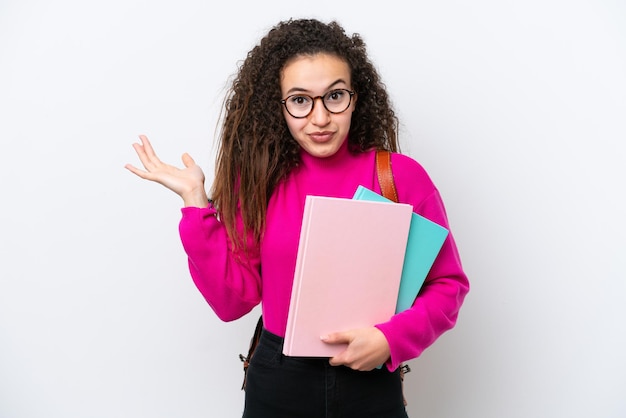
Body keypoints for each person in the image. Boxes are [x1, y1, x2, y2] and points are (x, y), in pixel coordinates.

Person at [126, 18, 469, 418]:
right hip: (279, 377)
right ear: (279, 106)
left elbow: (448, 285)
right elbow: (231, 302)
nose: (320, 118)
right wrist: (196, 204)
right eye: (301, 100)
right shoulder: (259, 181)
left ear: (356, 98)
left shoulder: (399, 177)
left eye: (335, 96)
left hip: (370, 379)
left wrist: (391, 340)